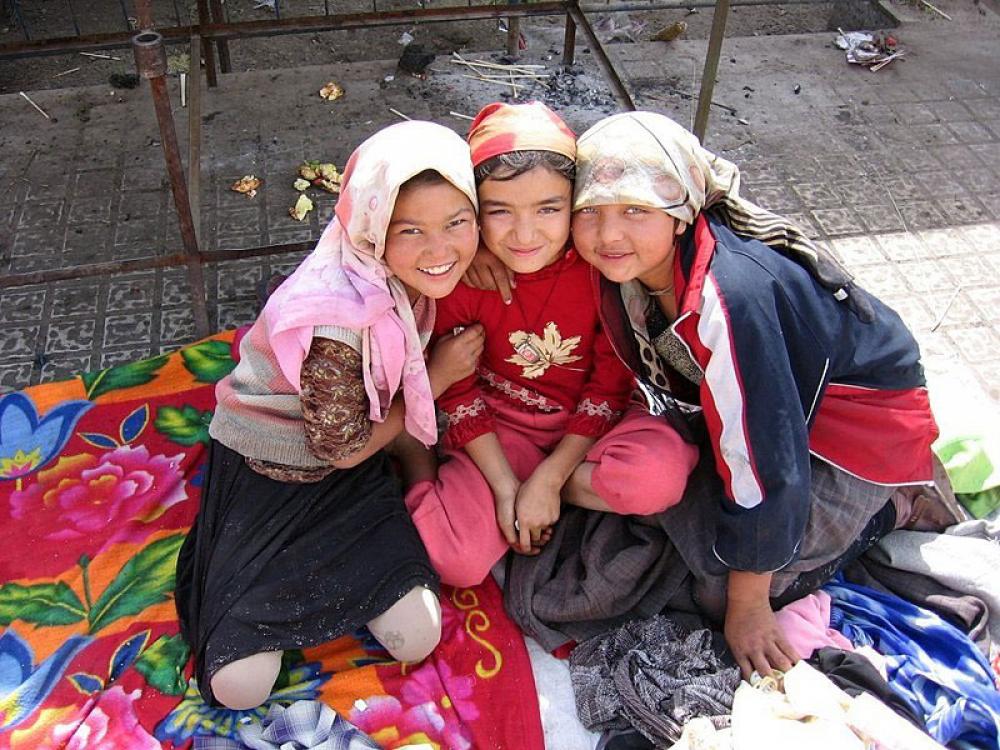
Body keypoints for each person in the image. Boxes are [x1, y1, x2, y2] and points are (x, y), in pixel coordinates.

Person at [568, 111, 962, 679]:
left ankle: (894, 502)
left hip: (851, 433)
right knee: (718, 551)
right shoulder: (631, 267)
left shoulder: (729, 299)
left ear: (682, 215)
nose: (608, 235)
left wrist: (748, 608)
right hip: (772, 410)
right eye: (591, 213)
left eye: (636, 211)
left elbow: (768, 457)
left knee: (722, 592)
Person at [174, 121, 487, 710]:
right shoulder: (337, 323)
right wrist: (437, 378)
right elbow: (338, 449)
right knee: (239, 688)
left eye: (457, 223)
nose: (440, 250)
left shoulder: (404, 274)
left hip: (351, 470)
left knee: (418, 634)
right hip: (276, 472)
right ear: (373, 228)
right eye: (410, 229)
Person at [404, 102, 698, 588]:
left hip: (592, 427)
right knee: (454, 561)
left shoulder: (600, 265)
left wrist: (549, 481)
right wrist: (503, 488)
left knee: (657, 480)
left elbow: (610, 384)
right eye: (499, 212)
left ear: (575, 203)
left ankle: (547, 495)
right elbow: (458, 390)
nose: (524, 234)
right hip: (501, 431)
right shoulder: (459, 275)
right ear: (474, 210)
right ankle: (418, 460)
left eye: (549, 209)